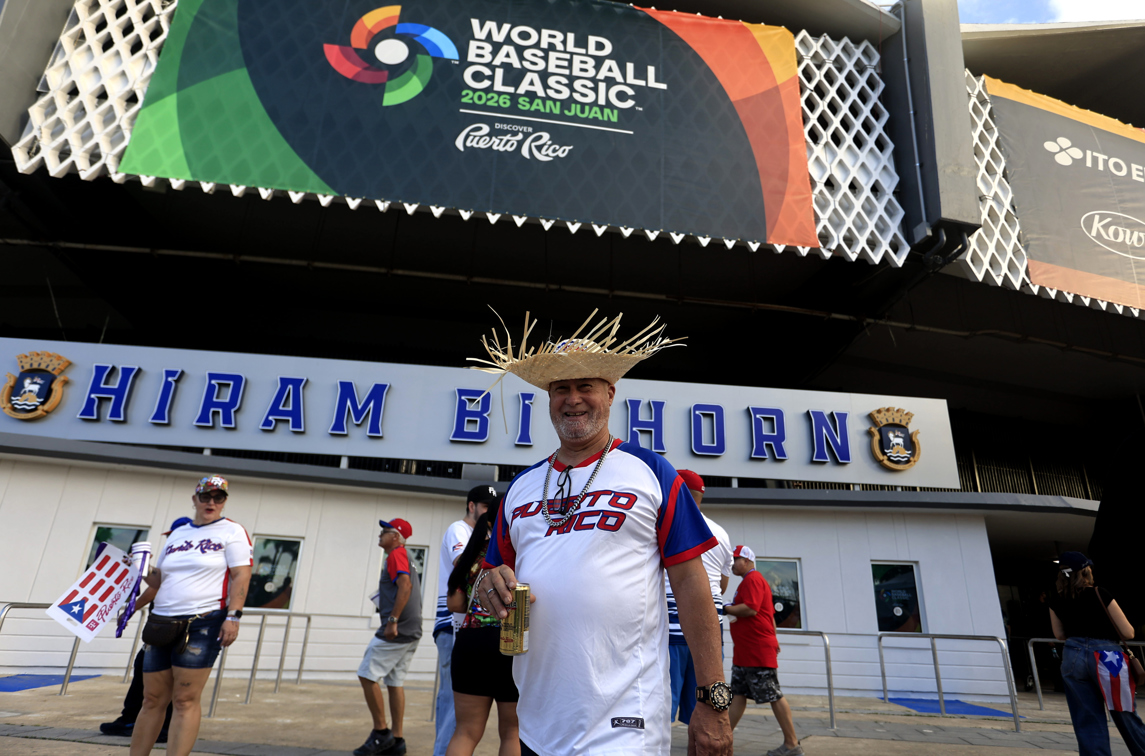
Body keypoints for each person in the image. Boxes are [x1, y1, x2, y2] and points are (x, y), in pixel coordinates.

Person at [473, 310, 733, 756]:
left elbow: (693, 586)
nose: (573, 399)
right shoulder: (520, 488)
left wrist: (713, 699)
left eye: (585, 386)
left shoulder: (651, 472)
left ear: (610, 394)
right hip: (536, 721)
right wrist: (486, 585)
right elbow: (492, 573)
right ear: (548, 398)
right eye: (560, 389)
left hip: (624, 721)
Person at [129, 475, 252, 756]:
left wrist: (234, 616)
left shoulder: (232, 532)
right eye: (206, 496)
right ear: (194, 499)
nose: (211, 502)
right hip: (161, 622)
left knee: (184, 699)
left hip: (202, 623)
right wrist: (140, 568)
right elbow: (159, 580)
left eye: (218, 498)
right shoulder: (179, 533)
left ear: (224, 502)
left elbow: (241, 575)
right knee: (151, 699)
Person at [100, 517, 192, 740]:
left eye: (174, 535)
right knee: (152, 673)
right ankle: (138, 719)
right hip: (165, 627)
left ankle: (152, 724)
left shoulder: (183, 559)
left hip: (175, 627)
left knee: (158, 675)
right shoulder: (177, 557)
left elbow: (154, 589)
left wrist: (131, 608)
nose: (171, 539)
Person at [1048, 551, 1145, 756]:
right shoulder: (1100, 593)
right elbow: (1128, 632)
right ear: (1085, 570)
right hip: (1108, 657)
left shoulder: (1056, 599)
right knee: (1124, 712)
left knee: (1087, 717)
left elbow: (1059, 634)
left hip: (1073, 655)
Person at [444, 499, 519, 756]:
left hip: (470, 643)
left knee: (465, 732)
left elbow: (454, 603)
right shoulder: (524, 551)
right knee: (512, 733)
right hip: (512, 641)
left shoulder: (472, 555)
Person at [433, 485, 497, 756]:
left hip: (468, 633)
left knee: (465, 726)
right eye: (484, 506)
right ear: (471, 505)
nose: (487, 512)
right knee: (453, 707)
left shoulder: (482, 540)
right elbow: (465, 566)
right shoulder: (459, 530)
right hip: (453, 625)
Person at [665, 470, 733, 726]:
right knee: (705, 709)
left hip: (671, 629)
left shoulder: (664, 525)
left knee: (662, 708)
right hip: (711, 631)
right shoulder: (721, 534)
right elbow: (722, 585)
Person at [355, 518, 423, 756]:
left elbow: (405, 586)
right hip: (411, 629)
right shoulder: (405, 556)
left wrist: (392, 621)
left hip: (399, 628)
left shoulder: (396, 554)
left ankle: (381, 733)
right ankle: (397, 740)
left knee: (366, 674)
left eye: (385, 531)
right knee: (394, 682)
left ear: (396, 537)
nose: (380, 535)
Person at [725, 545, 802, 756]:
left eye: (736, 559)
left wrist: (724, 608)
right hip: (746, 652)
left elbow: (751, 608)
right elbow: (768, 615)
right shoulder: (747, 582)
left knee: (773, 694)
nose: (732, 563)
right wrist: (774, 637)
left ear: (748, 560)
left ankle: (792, 745)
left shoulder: (753, 579)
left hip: (756, 650)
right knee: (738, 694)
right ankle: (723, 740)